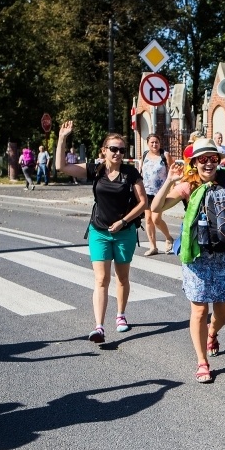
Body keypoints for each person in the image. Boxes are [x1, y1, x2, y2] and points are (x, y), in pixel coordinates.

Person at [150, 138, 225, 383]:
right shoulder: (188, 185)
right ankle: (202, 361)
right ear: (194, 162)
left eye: (213, 158)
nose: (208, 163)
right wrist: (170, 181)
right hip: (196, 254)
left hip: (223, 254)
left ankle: (212, 333)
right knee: (200, 309)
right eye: (203, 159)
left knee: (223, 311)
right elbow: (156, 208)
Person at [55, 121, 147, 342]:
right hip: (99, 232)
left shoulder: (130, 173)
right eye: (113, 149)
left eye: (122, 150)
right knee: (101, 279)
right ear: (104, 150)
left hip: (124, 232)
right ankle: (99, 327)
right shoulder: (95, 169)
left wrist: (123, 221)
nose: (118, 153)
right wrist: (62, 139)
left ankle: (121, 315)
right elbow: (61, 167)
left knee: (122, 278)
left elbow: (143, 203)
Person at [138, 134, 175, 256]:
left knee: (156, 219)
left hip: (160, 193)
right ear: (148, 144)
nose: (154, 144)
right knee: (148, 220)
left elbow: (173, 171)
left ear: (160, 143)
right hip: (146, 192)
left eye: (156, 142)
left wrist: (172, 187)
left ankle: (168, 237)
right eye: (152, 142)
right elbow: (141, 172)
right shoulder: (145, 155)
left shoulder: (165, 155)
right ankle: (153, 247)